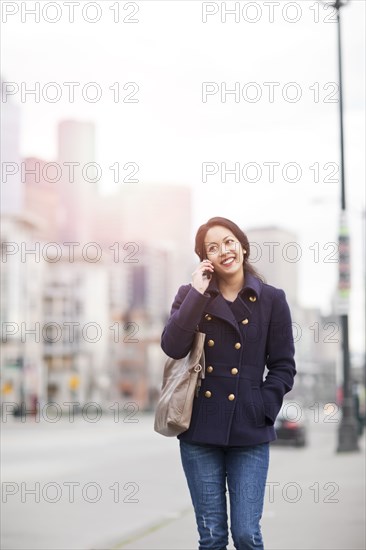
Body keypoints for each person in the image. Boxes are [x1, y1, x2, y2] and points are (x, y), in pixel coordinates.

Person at [161, 217, 296, 550]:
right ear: (204, 259)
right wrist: (196, 292)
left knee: (247, 534)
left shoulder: (272, 300)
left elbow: (283, 366)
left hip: (250, 430)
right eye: (212, 247)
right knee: (212, 537)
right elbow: (172, 346)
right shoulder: (191, 296)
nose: (223, 250)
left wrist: (263, 406)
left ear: (242, 245)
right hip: (200, 430)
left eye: (228, 241)